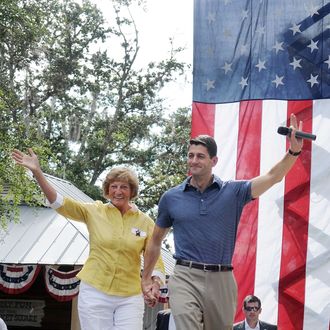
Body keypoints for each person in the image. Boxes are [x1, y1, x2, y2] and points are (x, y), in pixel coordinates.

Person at [141, 113, 303, 330]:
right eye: (190, 156)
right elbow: (155, 241)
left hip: (222, 279)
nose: (194, 161)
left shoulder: (233, 192)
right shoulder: (171, 198)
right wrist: (146, 278)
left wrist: (294, 151)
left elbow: (273, 176)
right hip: (185, 276)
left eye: (200, 156)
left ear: (213, 161)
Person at [12, 148, 165, 330]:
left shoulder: (145, 221)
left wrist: (155, 282)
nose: (118, 191)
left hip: (130, 296)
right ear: (107, 190)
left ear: (132, 191)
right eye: (113, 186)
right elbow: (59, 202)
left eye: (124, 187)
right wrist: (38, 172)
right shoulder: (94, 211)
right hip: (95, 291)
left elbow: (155, 256)